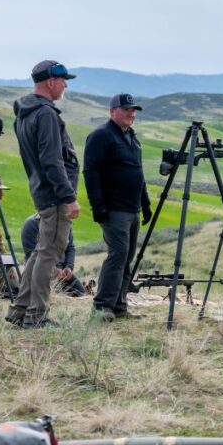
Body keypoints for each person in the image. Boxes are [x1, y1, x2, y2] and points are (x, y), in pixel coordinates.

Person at [7, 59, 81, 329]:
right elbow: (52, 160)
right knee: (48, 254)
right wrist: (68, 197)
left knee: (40, 252)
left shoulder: (25, 113)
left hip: (41, 190)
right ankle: (36, 315)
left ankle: (19, 309)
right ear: (51, 82)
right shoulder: (46, 114)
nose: (65, 86)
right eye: (63, 81)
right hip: (55, 195)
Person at [83, 93, 152, 322]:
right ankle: (102, 307)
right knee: (118, 255)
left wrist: (145, 203)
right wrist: (97, 206)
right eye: (126, 110)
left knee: (127, 256)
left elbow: (138, 173)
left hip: (132, 209)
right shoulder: (101, 135)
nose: (131, 114)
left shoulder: (131, 137)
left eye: (133, 110)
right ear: (112, 111)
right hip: (114, 208)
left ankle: (120, 306)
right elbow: (90, 172)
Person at [20, 213, 86, 296]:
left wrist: (69, 267)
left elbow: (70, 247)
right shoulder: (31, 224)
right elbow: (32, 256)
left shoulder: (65, 223)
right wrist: (54, 270)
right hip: (37, 273)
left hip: (62, 274)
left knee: (81, 294)